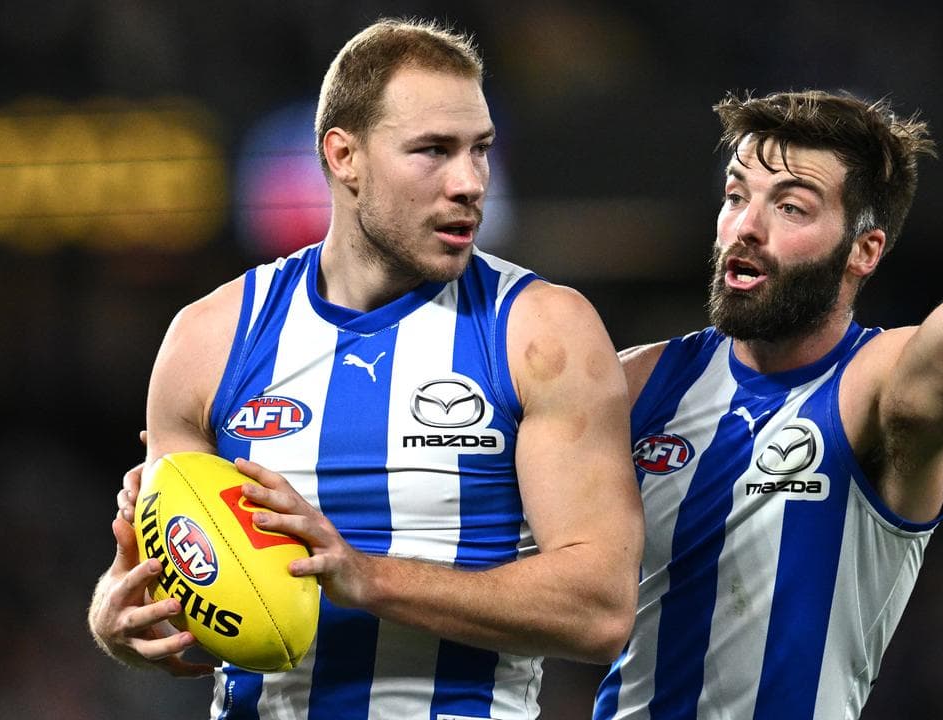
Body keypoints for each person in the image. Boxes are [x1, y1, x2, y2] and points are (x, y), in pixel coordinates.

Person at [86, 17, 643, 719]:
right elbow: (166, 575)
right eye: (433, 151)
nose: (470, 182)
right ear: (343, 155)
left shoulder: (540, 331)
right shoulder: (209, 339)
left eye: (481, 150)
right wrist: (118, 613)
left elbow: (601, 608)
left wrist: (368, 578)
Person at [592, 90, 943, 719]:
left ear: (864, 250)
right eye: (736, 196)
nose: (745, 228)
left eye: (790, 208)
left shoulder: (871, 387)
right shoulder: (641, 383)